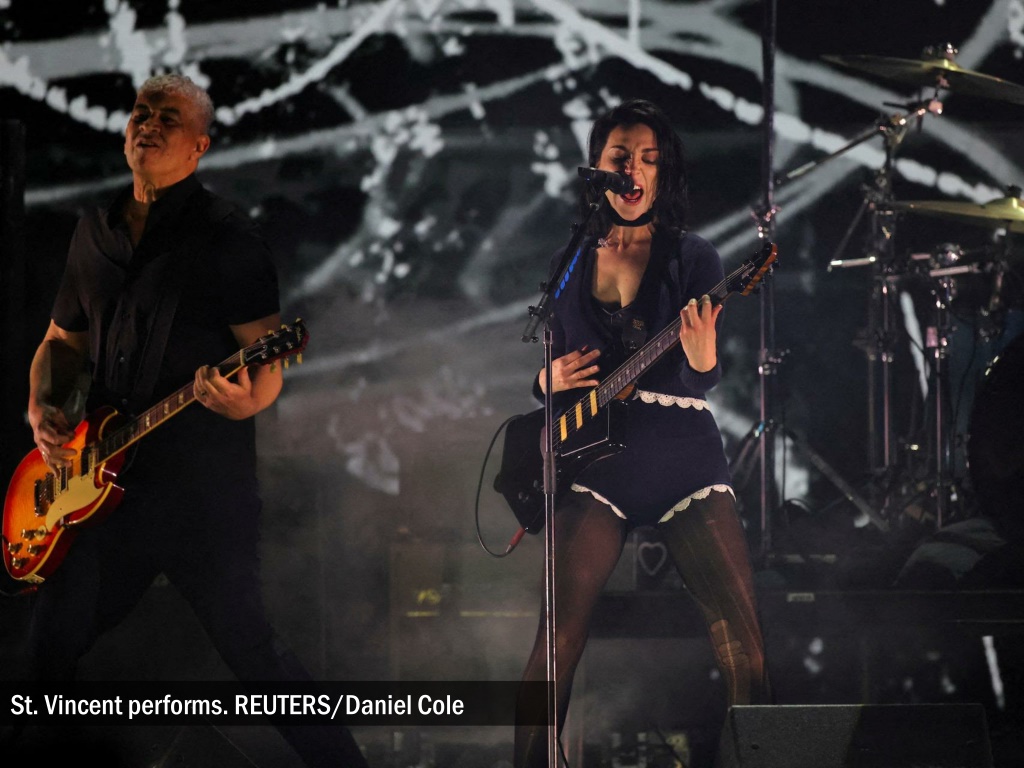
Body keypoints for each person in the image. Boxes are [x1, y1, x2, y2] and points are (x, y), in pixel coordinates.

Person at [24, 74, 368, 767]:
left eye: (168, 118)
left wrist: (247, 402)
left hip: (201, 496)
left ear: (199, 146)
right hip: (103, 493)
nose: (148, 124)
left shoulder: (227, 237)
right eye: (141, 112)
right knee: (42, 654)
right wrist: (42, 404)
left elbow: (267, 357)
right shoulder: (94, 229)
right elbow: (62, 339)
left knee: (255, 653)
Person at [514, 99, 770, 766]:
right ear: (597, 168)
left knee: (743, 644)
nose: (634, 170)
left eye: (649, 160)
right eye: (620, 157)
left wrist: (704, 357)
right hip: (597, 466)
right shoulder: (570, 260)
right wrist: (545, 381)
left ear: (663, 174)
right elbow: (553, 370)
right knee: (553, 643)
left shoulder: (695, 255)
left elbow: (704, 376)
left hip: (684, 457)